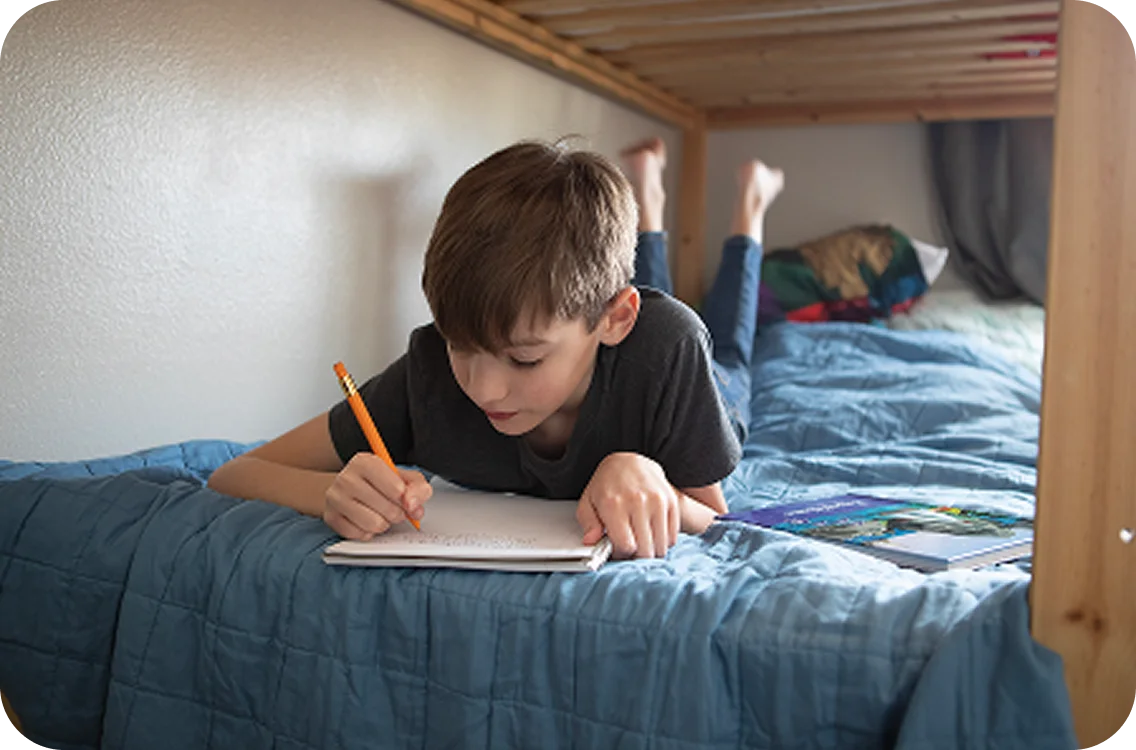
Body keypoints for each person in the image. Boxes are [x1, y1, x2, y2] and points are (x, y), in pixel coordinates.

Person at [206, 135, 783, 560]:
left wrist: (642, 472)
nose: (483, 388)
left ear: (615, 320)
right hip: (621, 319)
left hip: (709, 374)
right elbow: (234, 475)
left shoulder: (667, 346)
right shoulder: (432, 373)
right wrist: (329, 491)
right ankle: (648, 199)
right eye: (461, 346)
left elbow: (714, 516)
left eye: (524, 357)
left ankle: (748, 208)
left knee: (732, 347)